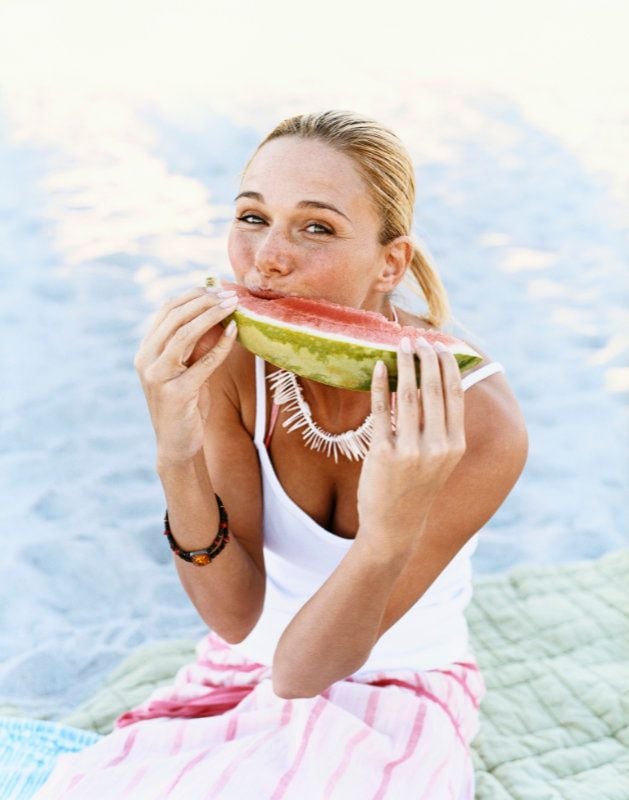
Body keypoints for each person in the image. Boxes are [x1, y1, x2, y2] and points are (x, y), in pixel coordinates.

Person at [35, 110, 528, 799]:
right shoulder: (237, 363)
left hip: (398, 685)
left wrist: (387, 534)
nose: (267, 257)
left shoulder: (479, 426)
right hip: (239, 670)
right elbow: (235, 616)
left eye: (316, 227)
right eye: (252, 218)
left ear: (391, 263)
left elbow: (303, 673)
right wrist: (175, 453)